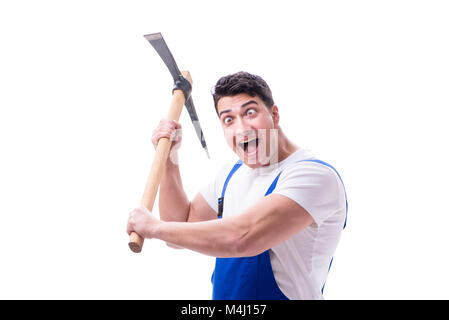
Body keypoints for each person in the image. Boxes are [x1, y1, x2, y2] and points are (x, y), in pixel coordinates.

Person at [126, 71, 347, 300]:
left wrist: (153, 228)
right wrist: (169, 159)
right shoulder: (232, 174)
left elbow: (244, 237)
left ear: (274, 114)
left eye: (250, 113)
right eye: (229, 119)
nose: (241, 129)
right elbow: (178, 228)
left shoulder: (313, 176)